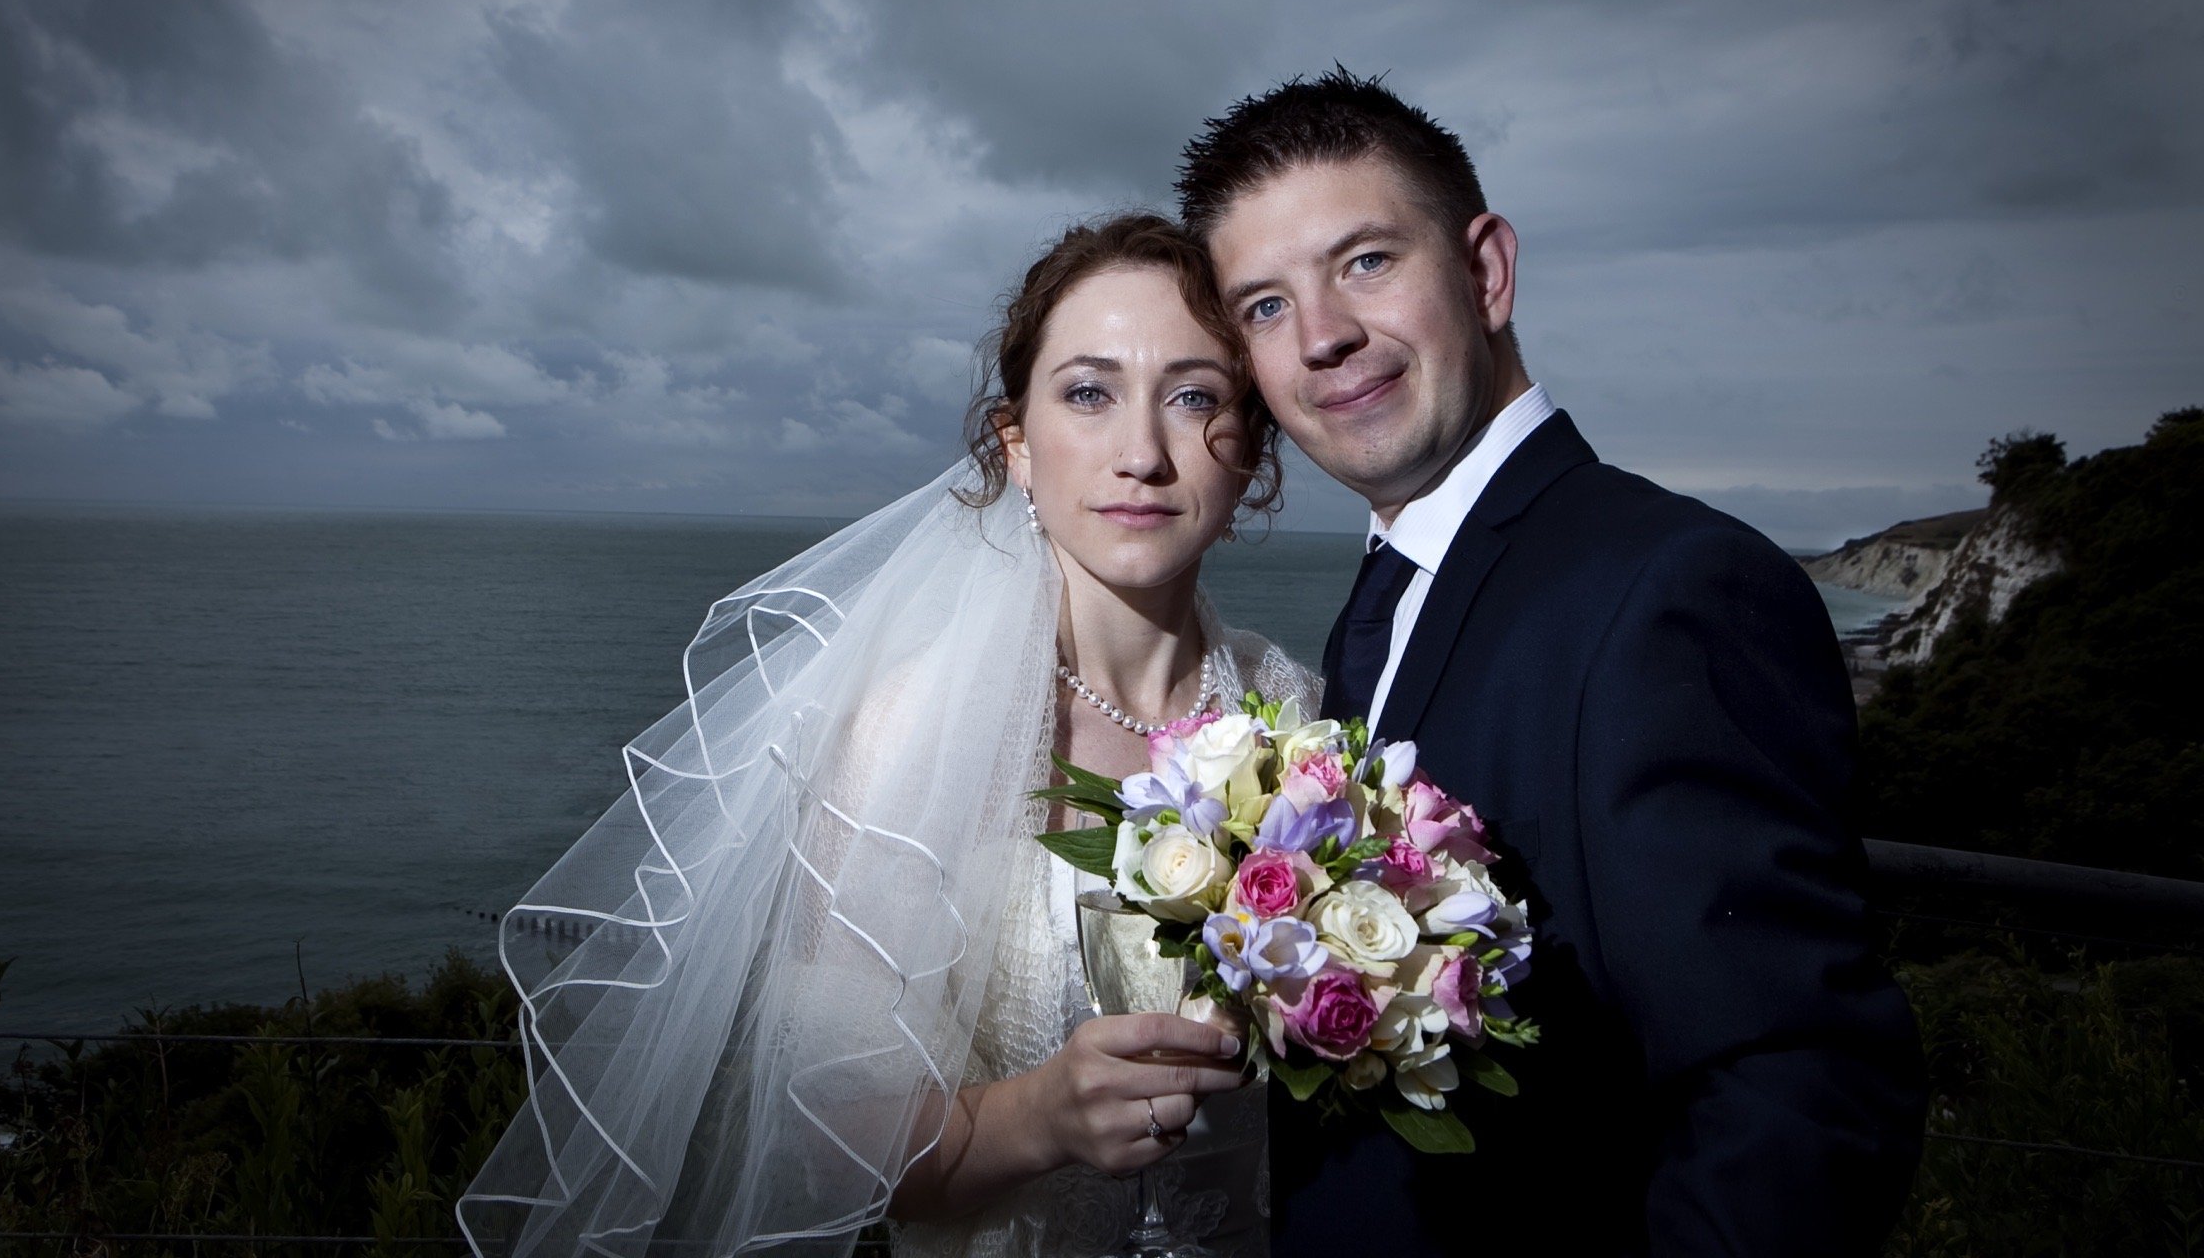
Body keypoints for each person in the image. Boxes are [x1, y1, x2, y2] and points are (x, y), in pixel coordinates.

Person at [458, 213, 1313, 1258]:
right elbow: (832, 1143)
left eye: (1194, 398)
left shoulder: (1298, 715)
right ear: (1019, 447)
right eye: (1088, 392)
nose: (1141, 451)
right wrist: (1037, 1116)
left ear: (1251, 459)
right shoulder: (911, 730)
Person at [1176, 69, 1927, 1255]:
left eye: (1366, 261)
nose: (1322, 336)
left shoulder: (1671, 588)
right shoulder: (1390, 595)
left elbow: (1795, 1096)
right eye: (1263, 306)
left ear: (1486, 271)